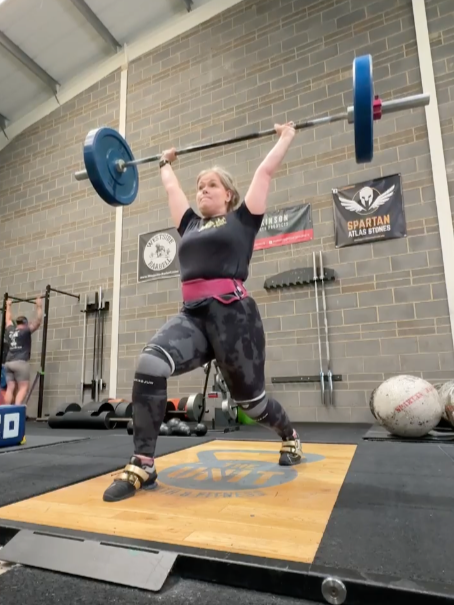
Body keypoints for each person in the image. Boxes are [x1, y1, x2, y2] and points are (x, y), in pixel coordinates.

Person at [103, 122, 303, 503]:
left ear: (228, 193)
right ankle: (143, 462)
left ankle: (290, 436)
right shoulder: (190, 224)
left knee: (253, 404)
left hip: (235, 317)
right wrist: (164, 163)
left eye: (211, 185)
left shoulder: (244, 218)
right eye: (200, 186)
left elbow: (264, 172)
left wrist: (286, 138)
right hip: (193, 316)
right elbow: (172, 189)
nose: (203, 190)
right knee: (150, 364)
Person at [4, 297, 43, 405]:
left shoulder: (10, 330)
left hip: (8, 363)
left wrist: (8, 306)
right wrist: (39, 306)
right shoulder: (26, 330)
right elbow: (38, 321)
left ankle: (5, 410)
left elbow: (8, 319)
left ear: (17, 323)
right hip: (20, 363)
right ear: (25, 323)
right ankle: (17, 409)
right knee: (23, 387)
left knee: (10, 388)